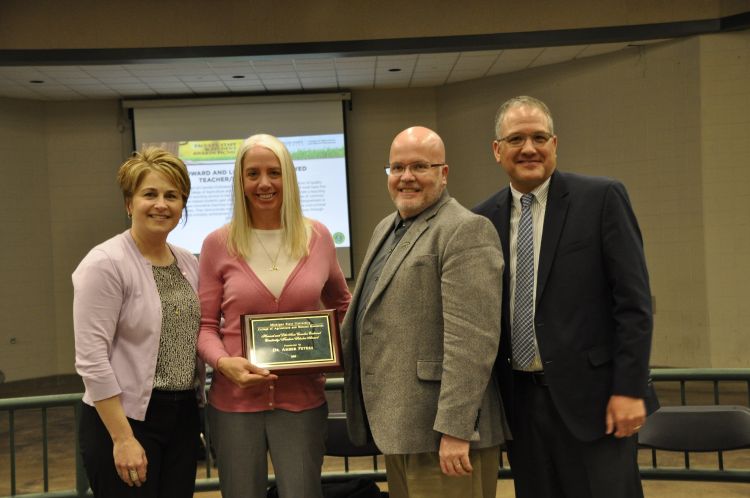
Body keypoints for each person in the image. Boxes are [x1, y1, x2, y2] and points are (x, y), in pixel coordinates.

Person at [474, 95, 657, 498]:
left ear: (554, 145)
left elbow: (635, 304)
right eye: (516, 138)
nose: (528, 148)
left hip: (597, 403)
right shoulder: (482, 219)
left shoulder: (602, 198)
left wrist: (630, 389)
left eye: (539, 137)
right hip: (521, 406)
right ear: (497, 150)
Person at [342, 126, 509, 498]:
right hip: (404, 429)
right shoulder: (387, 227)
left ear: (444, 173)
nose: (406, 177)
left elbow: (473, 342)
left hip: (444, 435)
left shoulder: (465, 230)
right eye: (397, 167)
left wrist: (455, 429)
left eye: (420, 166)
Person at [197, 133, 351, 498]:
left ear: (290, 179)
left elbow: (344, 308)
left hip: (302, 404)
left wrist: (338, 353)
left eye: (274, 172)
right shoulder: (217, 244)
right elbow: (204, 328)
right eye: (253, 174)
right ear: (240, 180)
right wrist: (224, 363)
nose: (264, 183)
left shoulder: (319, 237)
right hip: (233, 404)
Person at [73, 147, 203, 498]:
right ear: (130, 203)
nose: (161, 204)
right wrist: (122, 438)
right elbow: (91, 359)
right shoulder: (104, 264)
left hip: (181, 417)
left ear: (182, 206)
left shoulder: (188, 262)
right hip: (124, 418)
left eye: (172, 196)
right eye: (150, 194)